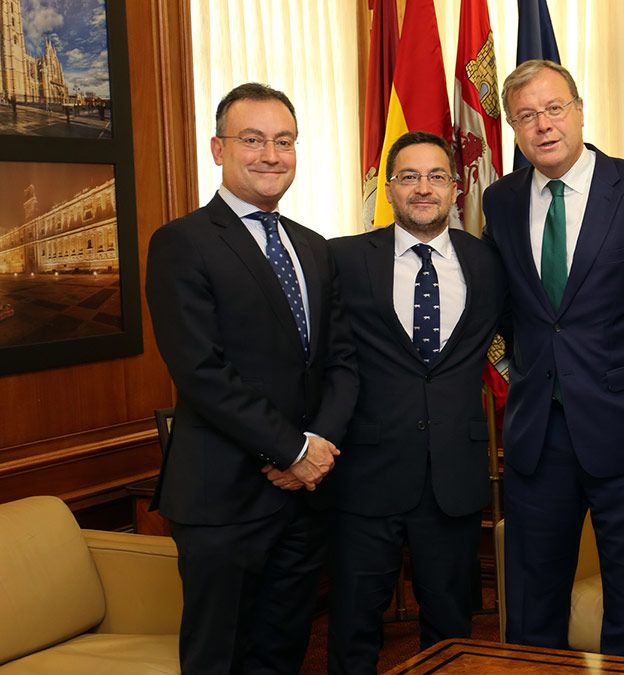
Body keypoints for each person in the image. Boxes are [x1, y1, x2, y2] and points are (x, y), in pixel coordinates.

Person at [481, 59, 624, 657]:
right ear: (513, 128)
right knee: (531, 604)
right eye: (526, 116)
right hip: (536, 435)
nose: (543, 125)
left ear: (579, 110)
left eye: (554, 109)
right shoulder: (498, 202)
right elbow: (504, 308)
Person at [145, 83, 358, 673]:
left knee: (283, 652)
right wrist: (293, 449)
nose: (271, 154)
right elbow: (200, 370)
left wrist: (317, 451)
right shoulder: (181, 243)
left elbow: (340, 361)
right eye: (253, 140)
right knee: (221, 658)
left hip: (303, 498)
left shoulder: (313, 248)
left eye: (283, 141)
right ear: (218, 149)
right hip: (223, 500)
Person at [325, 131, 507, 672]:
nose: (423, 189)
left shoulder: (490, 263)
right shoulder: (343, 259)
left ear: (455, 187)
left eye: (436, 177)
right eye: (409, 177)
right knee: (355, 625)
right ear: (389, 188)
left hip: (452, 477)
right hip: (365, 475)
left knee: (452, 628)